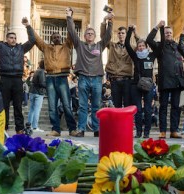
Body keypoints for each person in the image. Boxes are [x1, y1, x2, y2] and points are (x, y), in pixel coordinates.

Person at [0, 16, 36, 134]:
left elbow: (32, 40)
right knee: (4, 106)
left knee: (18, 106)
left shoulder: (21, 48)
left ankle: (20, 129)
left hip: (17, 79)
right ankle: (4, 128)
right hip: (5, 79)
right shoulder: (1, 47)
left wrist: (28, 26)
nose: (13, 39)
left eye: (15, 38)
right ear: (7, 39)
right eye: (11, 38)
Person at [66, 8, 113, 137]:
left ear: (95, 36)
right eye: (88, 33)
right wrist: (69, 16)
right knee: (82, 106)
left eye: (92, 33)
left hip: (97, 79)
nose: (90, 34)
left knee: (96, 106)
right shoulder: (79, 45)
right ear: (85, 36)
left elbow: (108, 36)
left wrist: (110, 21)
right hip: (83, 79)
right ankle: (81, 129)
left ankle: (96, 129)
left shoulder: (100, 45)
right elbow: (71, 31)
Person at [33, 20, 77, 137]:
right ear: (51, 39)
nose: (57, 38)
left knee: (67, 105)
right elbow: (37, 39)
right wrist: (28, 26)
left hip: (62, 78)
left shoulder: (67, 45)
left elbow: (70, 33)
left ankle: (72, 129)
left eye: (58, 36)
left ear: (61, 38)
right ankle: (56, 129)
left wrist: (69, 18)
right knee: (52, 106)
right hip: (50, 78)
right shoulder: (46, 47)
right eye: (55, 37)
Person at [146, 20, 184, 139]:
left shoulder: (177, 46)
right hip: (165, 80)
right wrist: (157, 27)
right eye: (166, 32)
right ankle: (162, 131)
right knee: (163, 107)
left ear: (173, 34)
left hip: (177, 80)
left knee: (175, 107)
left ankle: (174, 130)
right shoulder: (159, 45)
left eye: (170, 33)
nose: (168, 34)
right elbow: (148, 40)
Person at [125, 25, 156, 138]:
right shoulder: (135, 56)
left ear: (146, 46)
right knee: (137, 109)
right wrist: (130, 31)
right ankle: (138, 132)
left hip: (148, 85)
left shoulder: (151, 56)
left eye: (143, 45)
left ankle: (146, 132)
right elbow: (127, 44)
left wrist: (159, 28)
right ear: (137, 47)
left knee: (148, 109)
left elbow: (160, 46)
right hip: (136, 85)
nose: (141, 47)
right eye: (139, 46)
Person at [104, 25, 136, 108]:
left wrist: (134, 32)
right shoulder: (112, 46)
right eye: (119, 33)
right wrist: (106, 23)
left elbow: (142, 45)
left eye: (123, 33)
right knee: (117, 105)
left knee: (127, 104)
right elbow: (104, 37)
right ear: (117, 35)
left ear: (126, 34)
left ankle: (126, 121)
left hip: (127, 80)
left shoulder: (132, 47)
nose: (121, 34)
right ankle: (118, 121)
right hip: (115, 80)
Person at [28, 60, 46, 133]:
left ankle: (29, 126)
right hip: (38, 93)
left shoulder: (36, 71)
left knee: (31, 109)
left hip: (32, 92)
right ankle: (35, 126)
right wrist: (48, 85)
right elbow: (42, 83)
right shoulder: (41, 72)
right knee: (37, 110)